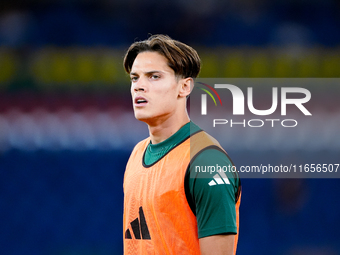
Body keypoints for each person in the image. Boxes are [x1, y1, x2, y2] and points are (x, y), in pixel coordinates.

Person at [123, 34, 241, 255]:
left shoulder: (207, 161)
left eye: (154, 76)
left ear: (184, 87)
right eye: (134, 78)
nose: (139, 86)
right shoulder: (137, 154)